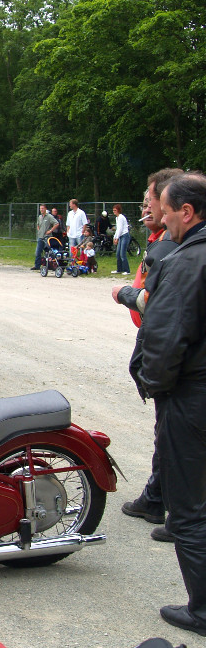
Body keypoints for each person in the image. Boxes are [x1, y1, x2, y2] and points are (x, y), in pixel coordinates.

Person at [135, 172, 206, 636]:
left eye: (166, 209)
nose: (162, 218)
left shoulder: (188, 261)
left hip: (193, 394)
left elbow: (164, 336)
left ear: (187, 211)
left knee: (188, 506)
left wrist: (154, 384)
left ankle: (202, 609)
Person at [113, 168, 182, 536]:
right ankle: (158, 497)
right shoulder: (162, 239)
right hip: (162, 348)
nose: (146, 206)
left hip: (174, 359)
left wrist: (124, 294)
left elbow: (154, 303)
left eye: (151, 200)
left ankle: (175, 510)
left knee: (174, 433)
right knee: (168, 432)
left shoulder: (173, 246)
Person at [32, 205, 57, 270]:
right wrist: (39, 230)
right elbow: (38, 224)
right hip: (40, 237)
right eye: (40, 208)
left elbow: (56, 223)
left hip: (47, 237)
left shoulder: (49, 216)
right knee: (38, 252)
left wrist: (50, 230)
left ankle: (51, 265)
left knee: (48, 252)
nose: (41, 210)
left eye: (42, 208)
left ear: (45, 209)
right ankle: (37, 266)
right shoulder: (40, 217)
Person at [112, 203, 131, 274]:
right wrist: (115, 237)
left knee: (122, 254)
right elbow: (117, 229)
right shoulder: (117, 218)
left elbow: (120, 229)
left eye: (115, 210)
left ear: (118, 210)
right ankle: (119, 269)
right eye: (113, 210)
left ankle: (127, 270)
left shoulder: (121, 217)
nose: (114, 212)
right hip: (120, 236)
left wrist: (116, 238)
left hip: (124, 235)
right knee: (118, 254)